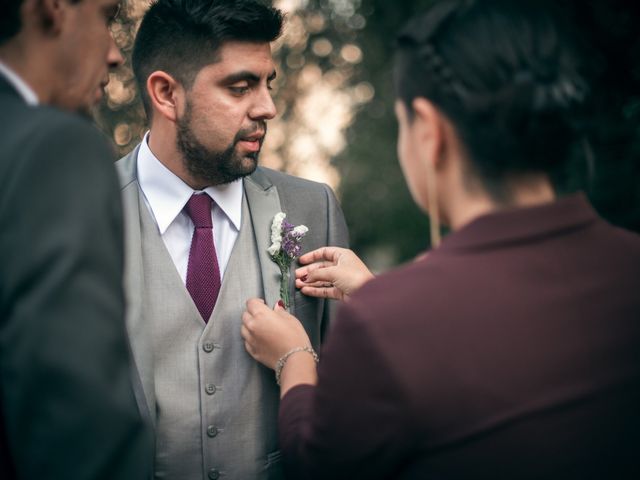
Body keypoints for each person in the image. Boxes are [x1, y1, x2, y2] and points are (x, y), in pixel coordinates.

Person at [241, 0, 640, 478]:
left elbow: (319, 467)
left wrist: (294, 358)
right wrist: (378, 295)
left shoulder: (384, 324)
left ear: (428, 131)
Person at [115, 0, 349, 478]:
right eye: (240, 87)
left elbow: (350, 390)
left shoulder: (312, 209)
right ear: (166, 94)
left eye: (267, 85)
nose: (268, 107)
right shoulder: (80, 213)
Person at [0, 0, 153, 478]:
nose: (113, 54)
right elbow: (76, 423)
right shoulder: (52, 147)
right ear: (52, 8)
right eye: (104, 17)